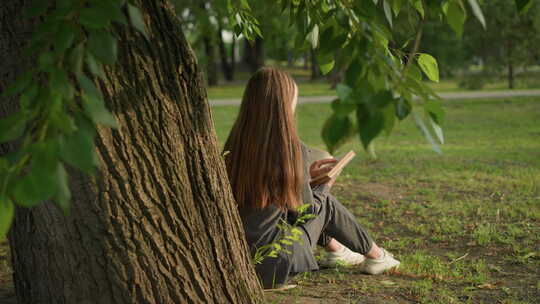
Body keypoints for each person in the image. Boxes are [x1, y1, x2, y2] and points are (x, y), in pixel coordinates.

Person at [223, 67, 399, 289]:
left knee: (312, 199)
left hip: (241, 261)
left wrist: (306, 176)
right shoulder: (290, 150)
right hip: (277, 266)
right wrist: (326, 184)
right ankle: (376, 255)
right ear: (284, 106)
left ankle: (338, 252)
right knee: (325, 203)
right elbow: (307, 212)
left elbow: (269, 198)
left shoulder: (234, 145)